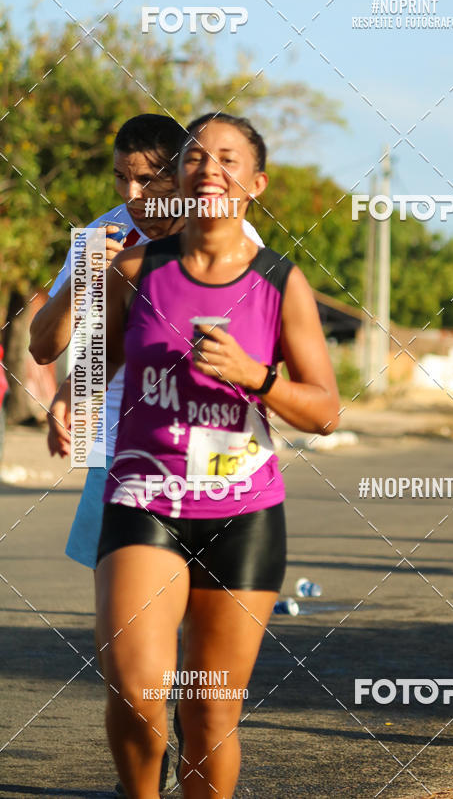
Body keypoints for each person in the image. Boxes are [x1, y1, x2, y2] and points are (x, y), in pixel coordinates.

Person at [95, 112, 339, 797]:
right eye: (197, 158)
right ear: (178, 178)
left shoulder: (279, 282)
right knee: (140, 689)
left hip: (244, 515)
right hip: (146, 499)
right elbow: (98, 362)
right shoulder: (136, 266)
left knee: (208, 714)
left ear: (254, 184)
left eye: (229, 160)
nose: (211, 170)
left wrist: (255, 375)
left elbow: (324, 409)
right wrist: (69, 398)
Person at [33, 112, 264, 795]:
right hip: (121, 457)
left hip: (214, 462)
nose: (135, 195)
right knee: (133, 636)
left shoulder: (231, 238)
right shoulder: (101, 237)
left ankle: (195, 732)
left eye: (150, 178)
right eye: (123, 179)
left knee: (199, 623)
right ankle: (148, 750)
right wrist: (84, 288)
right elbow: (43, 347)